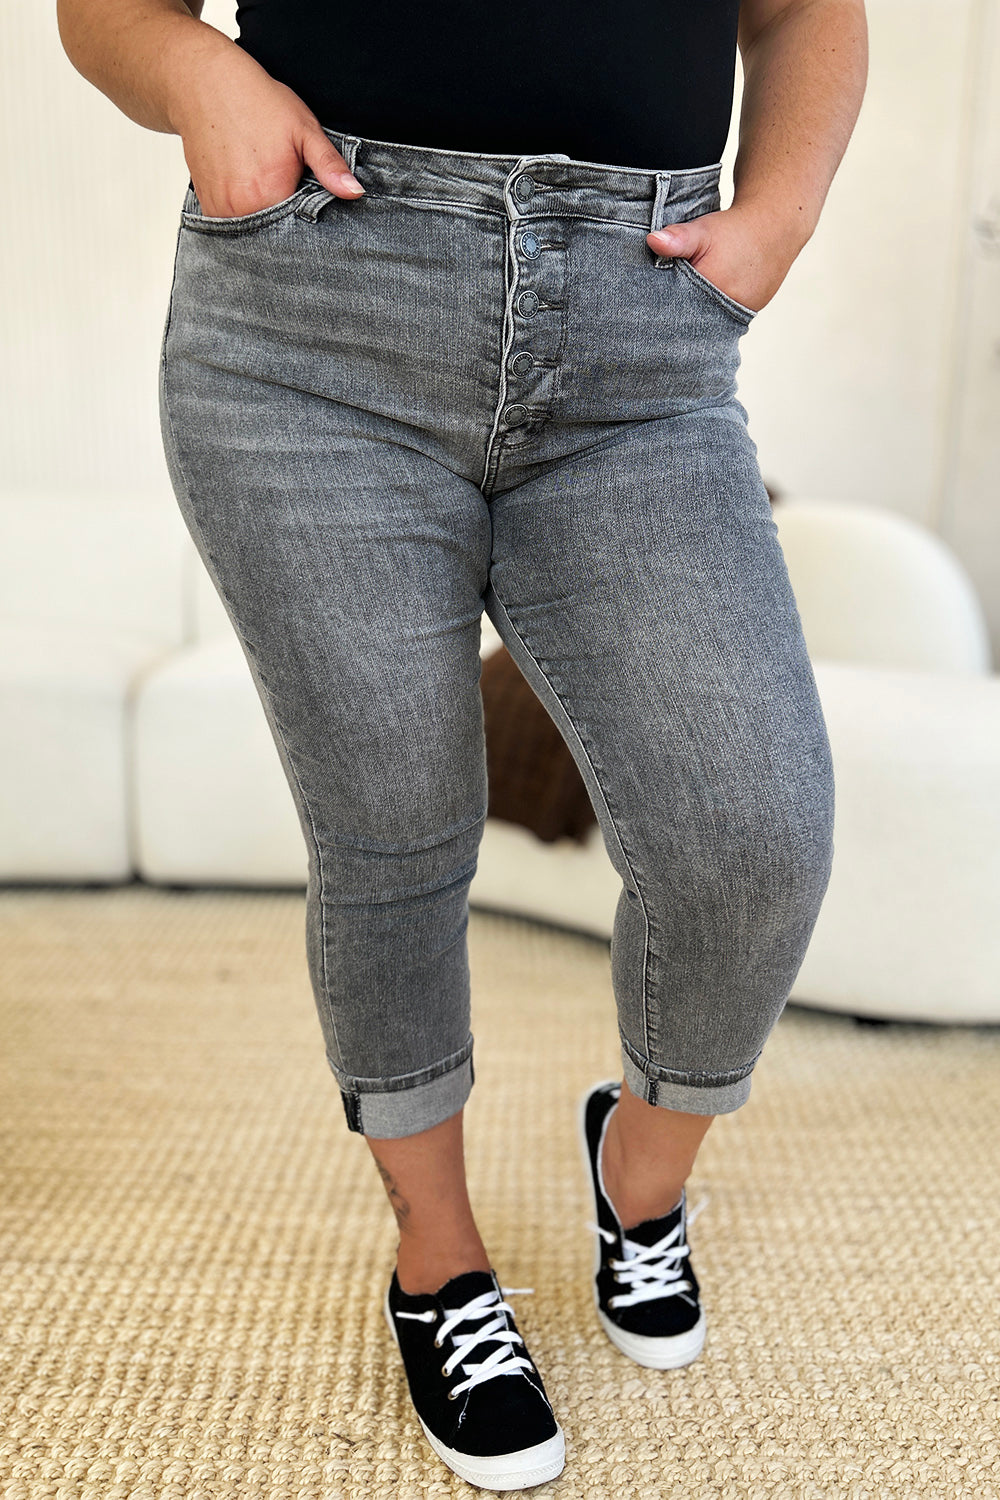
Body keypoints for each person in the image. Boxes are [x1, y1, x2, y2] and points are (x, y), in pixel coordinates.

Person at [57, 0, 868, 1489]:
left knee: (752, 837)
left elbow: (806, 8)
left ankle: (640, 1170)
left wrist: (783, 213)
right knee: (391, 829)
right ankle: (441, 1269)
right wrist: (201, 78)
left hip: (640, 339)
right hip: (314, 326)